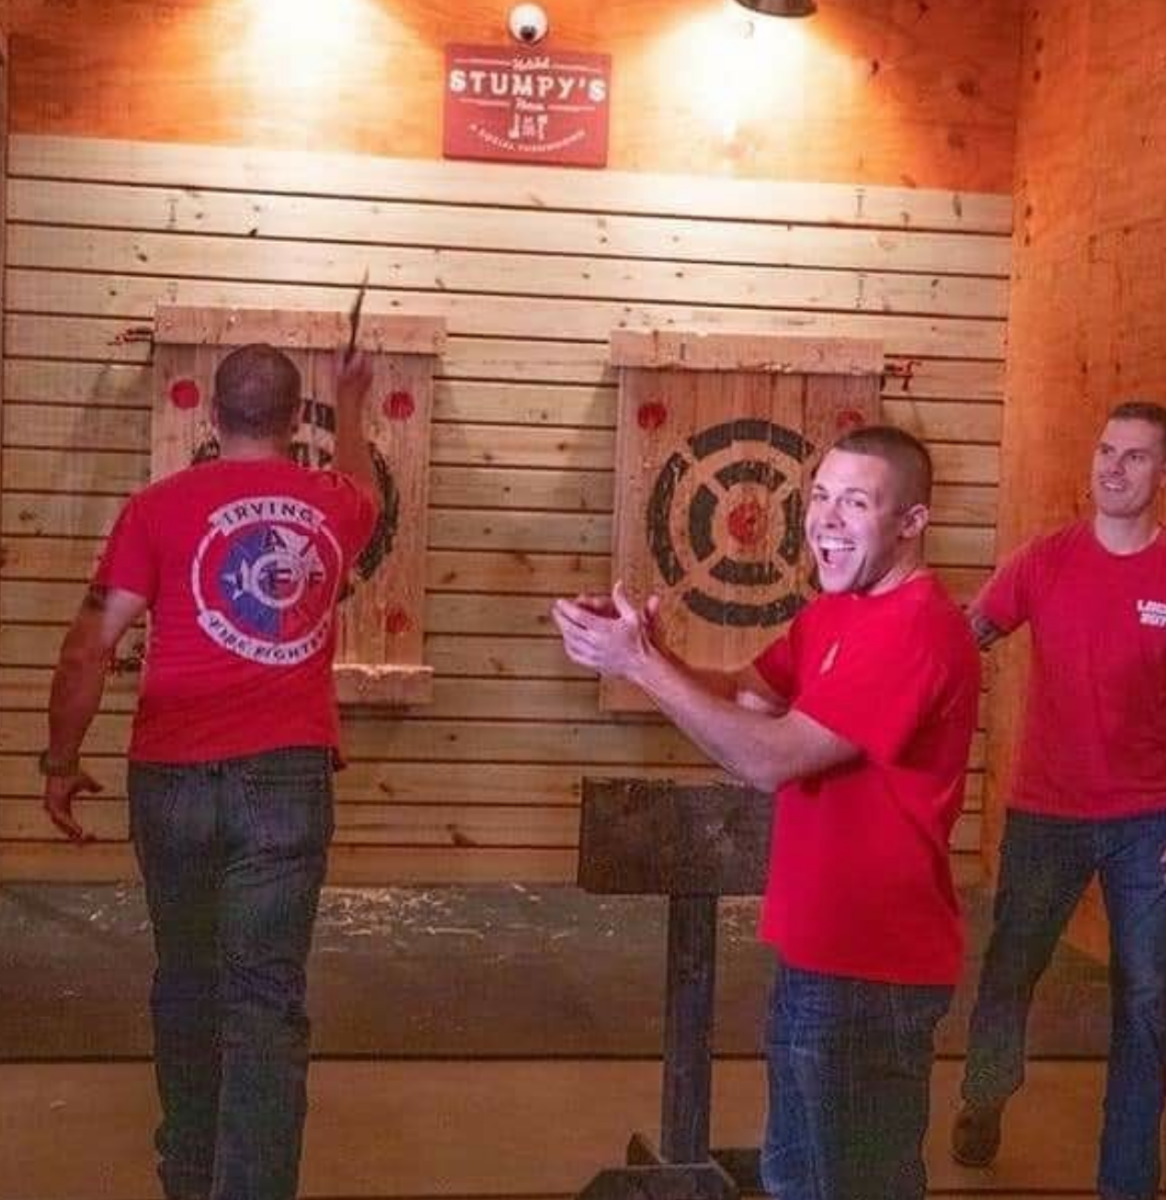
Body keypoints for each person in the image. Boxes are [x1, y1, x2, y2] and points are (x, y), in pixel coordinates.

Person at [553, 425, 981, 1200]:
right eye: (820, 497)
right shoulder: (836, 613)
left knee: (838, 1184)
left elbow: (768, 755)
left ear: (911, 523)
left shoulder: (914, 626)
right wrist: (647, 648)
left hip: (871, 963)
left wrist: (641, 668)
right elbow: (750, 694)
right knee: (797, 1175)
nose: (827, 519)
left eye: (857, 502)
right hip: (825, 951)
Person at [41, 344, 378, 1200]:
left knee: (187, 981)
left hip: (172, 775)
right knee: (264, 998)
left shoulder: (157, 508)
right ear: (298, 421)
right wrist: (355, 395)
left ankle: (188, 1179)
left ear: (212, 418)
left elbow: (90, 648)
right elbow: (361, 481)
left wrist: (61, 762)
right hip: (288, 781)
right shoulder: (336, 507)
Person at [951, 400, 1166, 1200]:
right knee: (1012, 971)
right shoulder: (1046, 561)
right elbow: (962, 638)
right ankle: (984, 1095)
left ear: (1160, 474)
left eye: (1136, 457)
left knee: (1148, 995)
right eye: (1106, 450)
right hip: (1047, 815)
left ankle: (1128, 1180)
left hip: (1148, 821)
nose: (1113, 468)